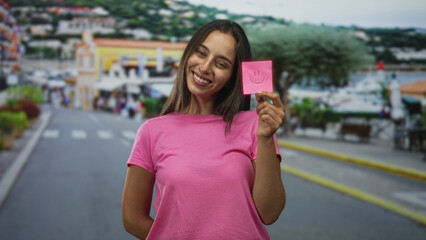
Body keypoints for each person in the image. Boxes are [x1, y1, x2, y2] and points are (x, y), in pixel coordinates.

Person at [122, 20, 286, 240]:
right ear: (188, 54)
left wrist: (265, 138)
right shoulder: (151, 131)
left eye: (221, 64)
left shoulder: (256, 125)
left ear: (230, 79)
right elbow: (132, 219)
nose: (205, 67)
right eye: (201, 53)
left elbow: (270, 213)